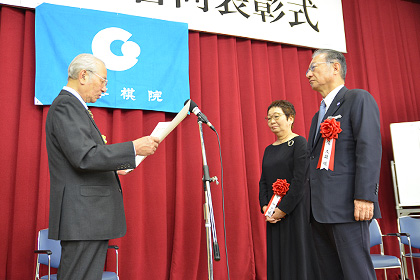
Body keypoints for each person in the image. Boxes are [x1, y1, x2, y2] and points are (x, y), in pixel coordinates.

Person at [45, 53, 160, 280]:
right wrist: (133, 148)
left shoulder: (75, 107)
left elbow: (82, 156)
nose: (105, 88)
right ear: (84, 76)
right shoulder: (66, 106)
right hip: (83, 217)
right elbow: (85, 156)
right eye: (103, 81)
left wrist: (115, 166)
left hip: (88, 217)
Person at [306, 49, 382, 280]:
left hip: (348, 208)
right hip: (319, 211)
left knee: (356, 273)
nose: (308, 74)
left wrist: (365, 196)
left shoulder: (357, 98)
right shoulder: (317, 116)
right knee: (330, 274)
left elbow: (369, 148)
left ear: (335, 68)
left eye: (313, 67)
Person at [259, 100, 321, 280]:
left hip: (295, 211)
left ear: (290, 118)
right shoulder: (268, 150)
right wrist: (265, 206)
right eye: (269, 118)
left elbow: (300, 181)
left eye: (276, 116)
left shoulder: (299, 143)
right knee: (277, 256)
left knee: (295, 255)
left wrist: (282, 210)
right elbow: (263, 181)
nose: (272, 121)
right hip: (273, 214)